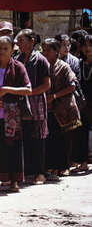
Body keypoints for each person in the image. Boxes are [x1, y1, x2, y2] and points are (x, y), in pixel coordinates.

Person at [0, 36, 32, 192]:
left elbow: (28, 89)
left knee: (13, 146)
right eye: (0, 48)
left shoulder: (18, 67)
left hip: (12, 114)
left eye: (5, 49)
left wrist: (7, 89)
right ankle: (0, 178)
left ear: (12, 49)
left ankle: (14, 181)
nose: (2, 52)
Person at [16, 29, 51, 184]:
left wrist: (29, 93)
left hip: (36, 103)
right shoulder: (17, 58)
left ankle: (40, 172)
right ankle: (28, 170)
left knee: (39, 137)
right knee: (25, 137)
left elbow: (46, 85)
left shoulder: (41, 60)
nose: (18, 44)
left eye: (21, 40)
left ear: (31, 41)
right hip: (21, 103)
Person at [42, 37, 80, 179]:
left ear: (56, 51)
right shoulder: (43, 66)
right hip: (48, 110)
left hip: (64, 109)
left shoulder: (63, 66)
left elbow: (72, 85)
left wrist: (55, 96)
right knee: (51, 139)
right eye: (43, 50)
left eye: (48, 50)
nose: (45, 53)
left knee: (64, 140)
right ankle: (51, 167)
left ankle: (64, 166)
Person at [73, 34, 92, 172]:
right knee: (82, 132)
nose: (87, 48)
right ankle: (83, 161)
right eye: (84, 45)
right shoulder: (79, 64)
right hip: (84, 104)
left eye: (90, 45)